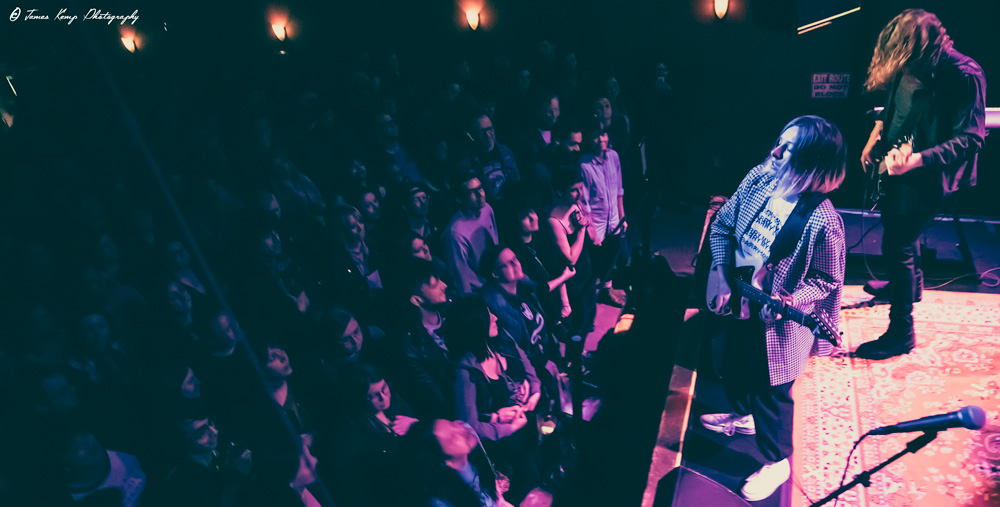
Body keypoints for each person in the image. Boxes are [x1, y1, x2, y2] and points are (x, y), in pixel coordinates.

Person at [703, 115, 847, 502]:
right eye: (779, 141)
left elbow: (827, 280)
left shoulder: (823, 219)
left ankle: (777, 461)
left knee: (772, 391)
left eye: (789, 148)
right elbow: (722, 225)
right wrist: (722, 273)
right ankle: (742, 415)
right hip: (736, 299)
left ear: (813, 162)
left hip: (776, 322)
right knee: (733, 364)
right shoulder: (759, 178)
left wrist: (792, 300)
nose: (775, 151)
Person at [855, 8, 986, 360]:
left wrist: (916, 160)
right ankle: (908, 286)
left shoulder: (965, 74)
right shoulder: (908, 63)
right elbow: (896, 106)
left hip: (932, 172)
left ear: (927, 50)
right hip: (899, 162)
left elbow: (970, 139)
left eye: (909, 62)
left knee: (897, 243)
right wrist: (876, 134)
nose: (904, 69)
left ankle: (901, 331)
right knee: (898, 231)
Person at [441, 172, 500, 296]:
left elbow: (495, 244)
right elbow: (460, 276)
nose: (480, 194)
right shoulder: (455, 233)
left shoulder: (487, 209)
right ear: (459, 198)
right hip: (480, 292)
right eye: (472, 192)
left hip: (497, 280)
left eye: (480, 188)